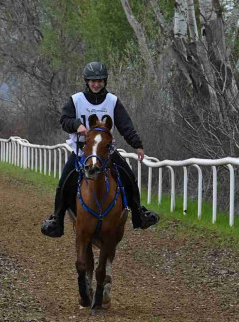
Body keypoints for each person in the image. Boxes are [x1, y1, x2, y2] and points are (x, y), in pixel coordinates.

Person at [41, 61, 159, 236]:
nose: (96, 84)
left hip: (106, 152)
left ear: (105, 81)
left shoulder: (113, 101)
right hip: (82, 152)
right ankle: (57, 219)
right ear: (86, 81)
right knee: (64, 182)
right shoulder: (76, 100)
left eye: (99, 81)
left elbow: (125, 125)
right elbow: (64, 119)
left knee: (129, 177)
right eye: (92, 81)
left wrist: (137, 144)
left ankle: (138, 213)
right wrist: (76, 125)